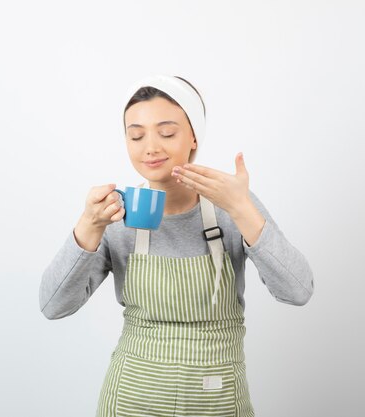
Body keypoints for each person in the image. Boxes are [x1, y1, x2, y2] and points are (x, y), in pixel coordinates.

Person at [39, 74, 315, 416]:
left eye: (167, 132)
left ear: (194, 136)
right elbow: (53, 307)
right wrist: (87, 227)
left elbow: (298, 291)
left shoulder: (232, 206)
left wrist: (243, 209)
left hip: (218, 400)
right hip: (130, 401)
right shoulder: (115, 215)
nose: (150, 147)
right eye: (136, 135)